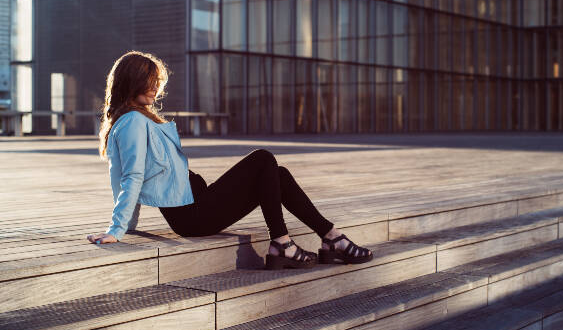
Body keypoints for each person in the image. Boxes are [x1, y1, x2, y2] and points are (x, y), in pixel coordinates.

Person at [86, 51, 373, 269]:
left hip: (198, 204)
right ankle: (283, 242)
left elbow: (123, 174)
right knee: (262, 159)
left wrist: (128, 225)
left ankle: (329, 236)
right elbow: (130, 177)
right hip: (194, 216)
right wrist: (118, 228)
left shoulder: (131, 120)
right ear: (130, 82)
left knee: (278, 173)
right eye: (148, 82)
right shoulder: (133, 121)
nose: (155, 89)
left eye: (156, 82)